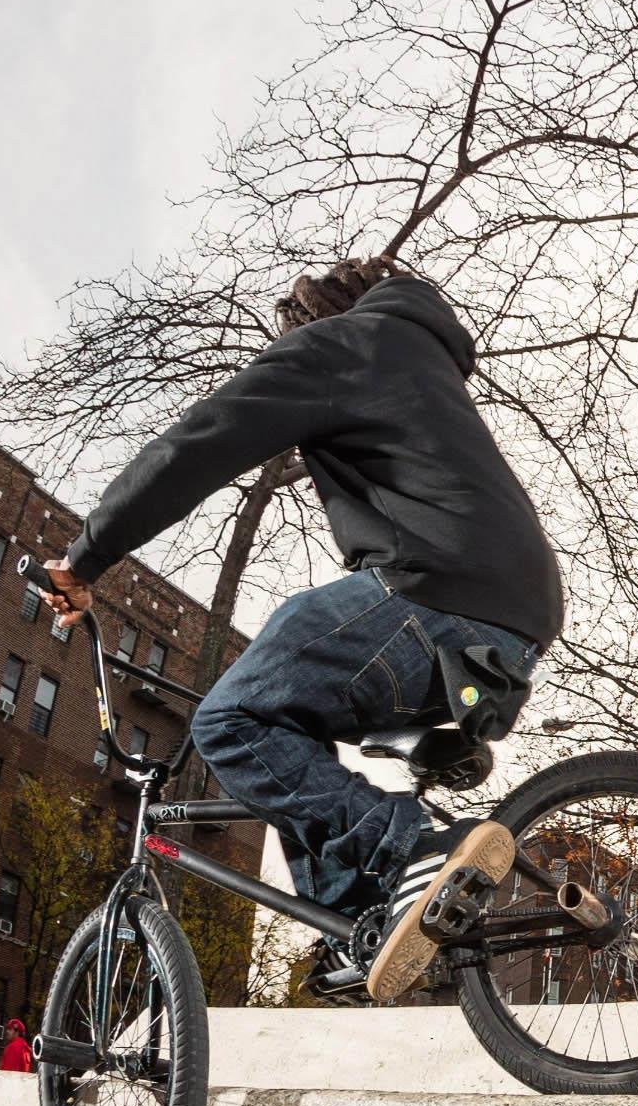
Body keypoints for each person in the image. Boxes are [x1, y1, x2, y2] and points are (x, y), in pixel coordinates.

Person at [41, 258, 564, 1004]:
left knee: (232, 717)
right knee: (292, 705)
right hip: (517, 626)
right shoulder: (426, 366)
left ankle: (408, 849)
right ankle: (360, 921)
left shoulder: (343, 344)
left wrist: (85, 556)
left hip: (434, 593)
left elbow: (198, 444)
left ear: (313, 323)